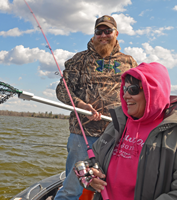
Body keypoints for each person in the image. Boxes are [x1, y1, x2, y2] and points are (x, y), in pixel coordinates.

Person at [55, 15, 138, 199]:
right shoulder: (79, 60)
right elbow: (62, 91)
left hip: (117, 134)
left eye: (108, 31)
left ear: (116, 33)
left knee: (112, 185)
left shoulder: (129, 62)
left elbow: (138, 93)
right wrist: (82, 105)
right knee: (73, 187)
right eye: (98, 32)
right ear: (93, 35)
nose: (103, 35)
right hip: (82, 134)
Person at [87, 62, 177, 200]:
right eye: (124, 89)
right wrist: (88, 175)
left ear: (154, 91)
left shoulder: (173, 132)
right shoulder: (118, 122)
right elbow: (92, 160)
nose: (125, 95)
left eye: (133, 90)